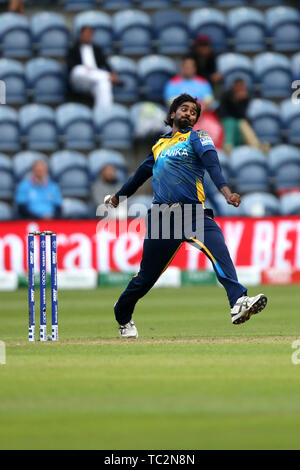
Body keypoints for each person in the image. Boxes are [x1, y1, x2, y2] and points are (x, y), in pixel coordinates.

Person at [105, 93, 267, 338]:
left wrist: (226, 193)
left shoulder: (198, 137)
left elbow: (213, 166)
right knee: (145, 279)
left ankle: (238, 302)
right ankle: (122, 314)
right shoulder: (159, 145)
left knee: (219, 250)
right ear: (172, 114)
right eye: (184, 109)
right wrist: (118, 196)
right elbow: (139, 176)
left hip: (193, 213)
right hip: (162, 218)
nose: (189, 114)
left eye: (193, 112)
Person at [66, 26, 119, 108]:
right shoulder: (73, 48)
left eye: (90, 34)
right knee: (79, 70)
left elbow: (105, 63)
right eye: (86, 33)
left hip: (94, 79)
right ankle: (106, 76)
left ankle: (103, 112)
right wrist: (84, 67)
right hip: (79, 78)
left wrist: (112, 72)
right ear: (81, 35)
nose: (88, 36)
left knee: (105, 84)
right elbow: (70, 65)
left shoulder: (97, 49)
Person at [217, 78, 261, 153]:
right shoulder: (226, 95)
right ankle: (228, 146)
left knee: (244, 124)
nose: (240, 88)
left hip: (239, 120)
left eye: (242, 86)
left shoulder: (246, 97)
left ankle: (256, 146)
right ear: (234, 86)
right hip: (226, 119)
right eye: (239, 86)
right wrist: (235, 100)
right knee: (230, 123)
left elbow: (242, 115)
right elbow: (223, 112)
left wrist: (241, 101)